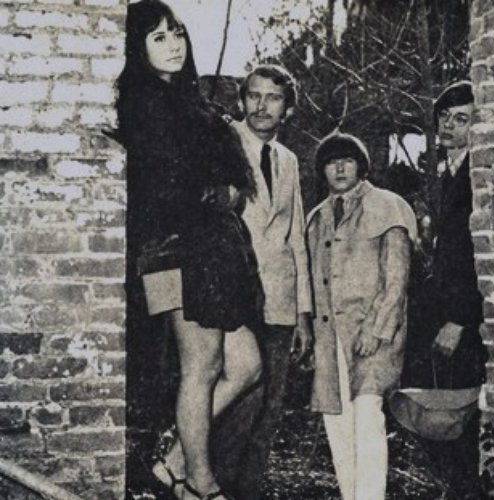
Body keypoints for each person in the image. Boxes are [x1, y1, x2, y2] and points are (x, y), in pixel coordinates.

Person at [115, 1, 264, 498]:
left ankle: (175, 462)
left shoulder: (187, 102)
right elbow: (167, 188)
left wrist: (223, 188)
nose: (174, 44)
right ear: (137, 48)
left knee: (247, 366)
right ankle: (200, 483)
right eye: (158, 37)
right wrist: (218, 188)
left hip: (206, 251)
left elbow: (220, 184)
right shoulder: (142, 103)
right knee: (202, 367)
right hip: (171, 254)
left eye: (176, 32)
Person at [214, 65, 313, 499]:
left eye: (273, 98)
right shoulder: (223, 144)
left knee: (268, 411)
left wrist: (303, 313)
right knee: (238, 404)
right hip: (235, 299)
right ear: (242, 101)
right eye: (254, 95)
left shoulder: (288, 160)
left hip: (280, 303)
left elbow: (295, 238)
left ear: (286, 108)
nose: (261, 105)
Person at [307, 133, 416, 500]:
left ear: (361, 166)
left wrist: (377, 329)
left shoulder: (388, 205)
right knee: (336, 420)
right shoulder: (317, 218)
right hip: (330, 338)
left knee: (367, 415)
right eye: (331, 162)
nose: (339, 168)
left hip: (373, 335)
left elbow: (396, 278)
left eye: (348, 160)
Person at [404, 81, 488, 498]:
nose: (449, 126)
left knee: (463, 416)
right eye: (444, 118)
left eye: (461, 119)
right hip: (443, 314)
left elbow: (478, 254)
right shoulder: (449, 171)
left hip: (467, 320)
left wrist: (458, 319)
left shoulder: (479, 176)